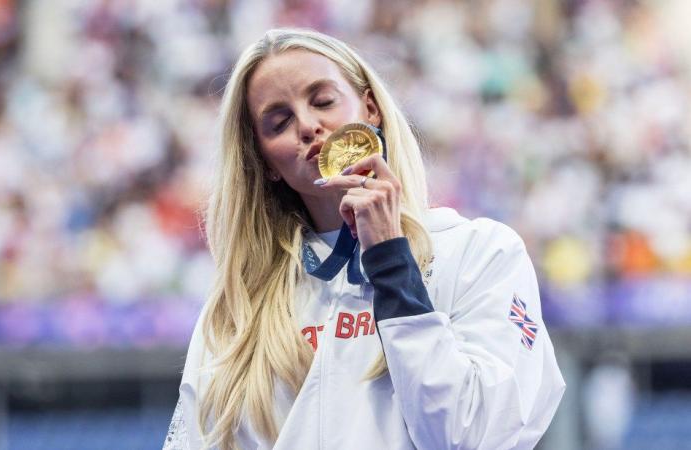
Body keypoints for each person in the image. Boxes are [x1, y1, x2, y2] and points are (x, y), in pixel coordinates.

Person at [163, 28, 565, 450]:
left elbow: (472, 435)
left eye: (323, 101)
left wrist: (392, 259)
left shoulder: (477, 252)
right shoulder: (240, 304)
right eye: (279, 122)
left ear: (369, 108)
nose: (308, 125)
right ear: (266, 163)